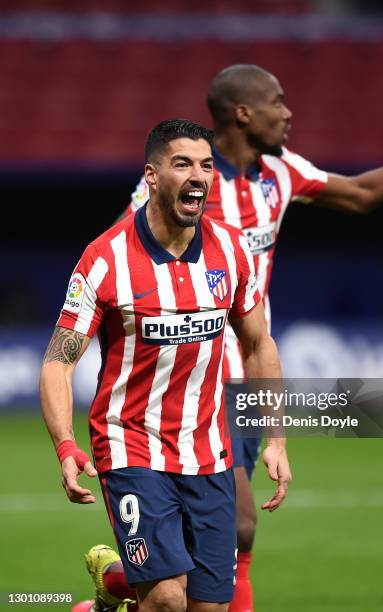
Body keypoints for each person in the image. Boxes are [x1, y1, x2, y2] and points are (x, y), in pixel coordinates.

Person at [80, 64, 383, 612]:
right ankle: (125, 583)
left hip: (249, 378)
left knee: (211, 552)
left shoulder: (281, 173)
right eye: (277, 102)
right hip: (192, 380)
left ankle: (114, 587)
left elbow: (359, 194)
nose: (288, 113)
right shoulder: (180, 185)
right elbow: (124, 264)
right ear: (244, 113)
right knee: (237, 528)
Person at [39, 119, 291, 612]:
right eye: (182, 164)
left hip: (208, 450)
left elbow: (259, 343)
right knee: (167, 600)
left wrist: (276, 437)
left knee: (207, 607)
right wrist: (65, 445)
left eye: (205, 165)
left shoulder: (231, 250)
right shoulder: (105, 259)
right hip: (130, 443)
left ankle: (106, 602)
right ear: (152, 177)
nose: (198, 175)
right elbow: (57, 363)